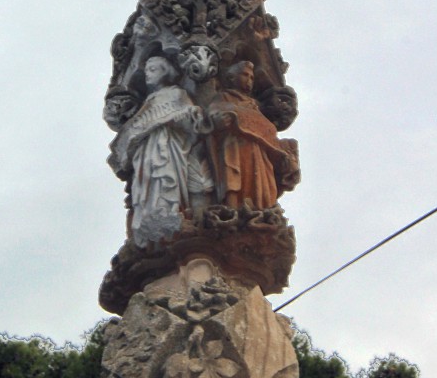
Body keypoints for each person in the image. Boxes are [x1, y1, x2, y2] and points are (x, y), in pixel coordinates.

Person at [108, 57, 212, 248]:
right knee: (147, 179)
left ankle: (170, 211)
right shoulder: (149, 100)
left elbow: (192, 118)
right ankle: (151, 216)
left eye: (153, 69)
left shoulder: (177, 93)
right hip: (147, 148)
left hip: (169, 145)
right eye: (147, 69)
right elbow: (136, 127)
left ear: (166, 71)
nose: (148, 73)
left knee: (165, 176)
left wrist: (187, 115)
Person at [209, 61, 299, 209]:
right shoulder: (224, 97)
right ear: (231, 78)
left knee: (260, 180)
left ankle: (260, 208)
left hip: (257, 149)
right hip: (234, 146)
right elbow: (214, 112)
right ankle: (233, 208)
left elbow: (266, 127)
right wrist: (223, 118)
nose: (249, 80)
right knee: (234, 176)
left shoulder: (254, 104)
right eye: (245, 75)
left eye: (251, 77)